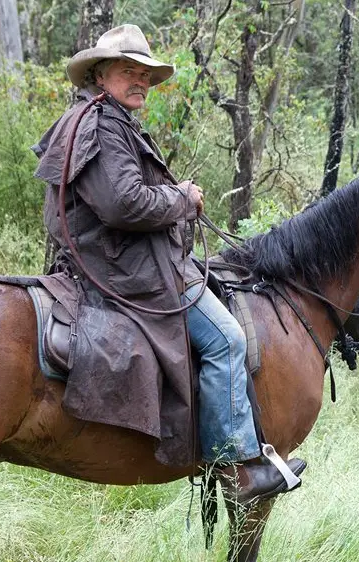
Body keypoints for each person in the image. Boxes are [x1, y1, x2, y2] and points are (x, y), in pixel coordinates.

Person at [32, 24, 304, 504]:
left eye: (145, 73)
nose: (140, 80)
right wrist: (183, 198)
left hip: (113, 259)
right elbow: (124, 204)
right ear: (100, 74)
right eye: (128, 71)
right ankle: (236, 470)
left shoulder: (102, 118)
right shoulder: (103, 124)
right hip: (127, 269)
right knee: (226, 338)